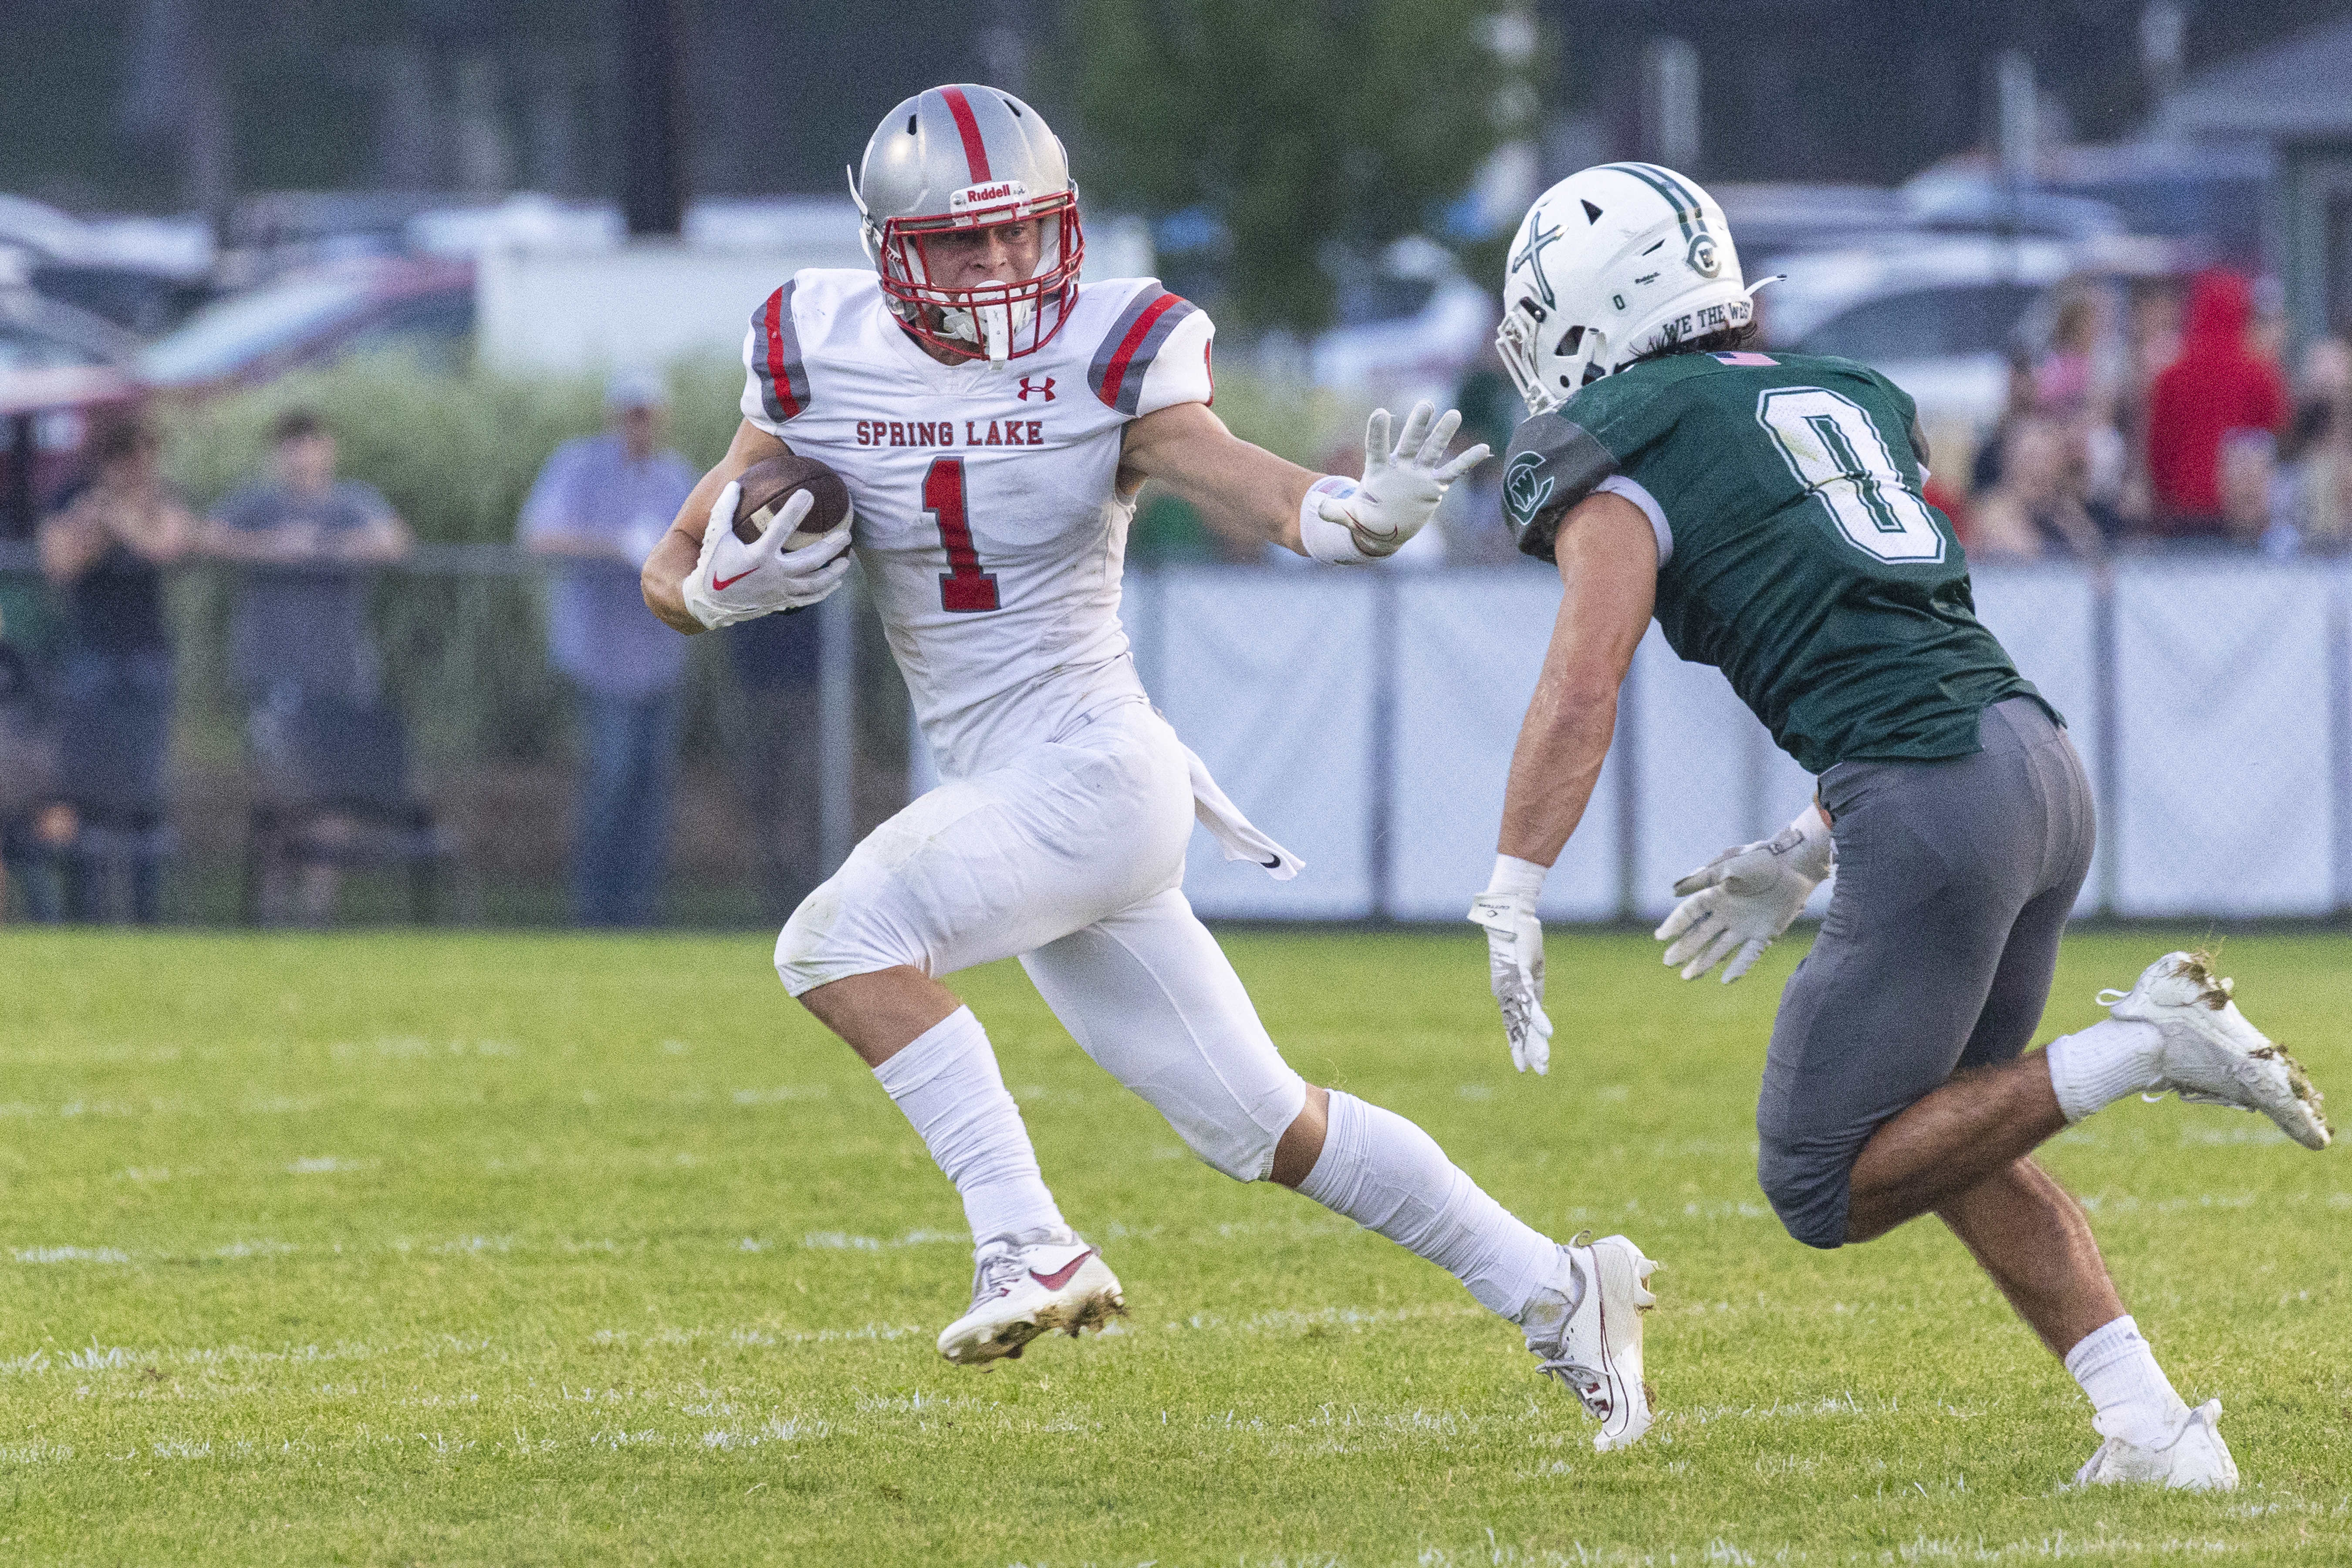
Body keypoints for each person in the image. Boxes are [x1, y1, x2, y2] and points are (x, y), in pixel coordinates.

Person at [641, 84, 1663, 1453]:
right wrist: (719, 595)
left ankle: (1030, 1245)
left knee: (837, 944)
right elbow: (674, 561)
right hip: (1022, 790)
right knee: (1262, 1125)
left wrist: (1356, 517)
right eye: (963, 243)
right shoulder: (811, 347)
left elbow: (1233, 473)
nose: (1003, 270)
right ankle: (1559, 1288)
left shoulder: (1110, 345)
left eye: (1024, 236)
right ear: (892, 248)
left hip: (1096, 770)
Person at [1476, 163, 2331, 1490]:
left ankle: (2146, 1048)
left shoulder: (1623, 442)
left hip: (1932, 793)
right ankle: (2152, 1427)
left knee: (1823, 1177)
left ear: (1590, 307)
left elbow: (1584, 679)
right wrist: (1811, 845)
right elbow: (1892, 634)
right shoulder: (1836, 394)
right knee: (1948, 1124)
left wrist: (1513, 889)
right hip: (2034, 765)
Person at [201, 409, 412, 923]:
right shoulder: (258, 504)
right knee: (284, 790)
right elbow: (204, 537)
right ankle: (273, 905)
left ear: (329, 448)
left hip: (339, 675)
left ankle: (317, 910)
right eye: (291, 444)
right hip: (271, 674)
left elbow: (396, 542)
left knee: (334, 792)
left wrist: (325, 547)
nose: (302, 454)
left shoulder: (352, 503)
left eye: (311, 442)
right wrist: (270, 549)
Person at [521, 371, 699, 927]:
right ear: (615, 415)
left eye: (647, 414)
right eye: (631, 413)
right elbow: (539, 537)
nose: (638, 425)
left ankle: (639, 914)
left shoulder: (677, 477)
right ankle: (594, 912)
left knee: (651, 788)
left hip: (661, 658)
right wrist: (616, 545)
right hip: (599, 659)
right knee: (611, 780)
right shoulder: (578, 466)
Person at [34, 413, 193, 921]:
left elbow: (166, 547)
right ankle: (87, 912)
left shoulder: (162, 498)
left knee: (147, 787)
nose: (138, 469)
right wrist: (94, 525)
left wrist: (119, 520)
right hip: (90, 658)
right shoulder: (71, 498)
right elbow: (59, 566)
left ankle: (145, 914)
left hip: (148, 658)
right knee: (83, 786)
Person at [2144, 270, 2287, 540]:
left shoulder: (2171, 375)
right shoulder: (2259, 372)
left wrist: (2161, 502)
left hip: (2184, 505)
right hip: (2243, 508)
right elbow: (2278, 434)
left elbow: (2158, 448)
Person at [1967, 418, 2115, 561]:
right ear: (2010, 462)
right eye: (2031, 458)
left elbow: (2096, 554)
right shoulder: (1994, 510)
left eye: (2047, 459)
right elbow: (2026, 556)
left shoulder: (2064, 509)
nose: (2038, 470)